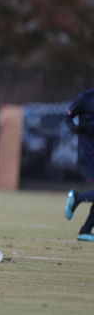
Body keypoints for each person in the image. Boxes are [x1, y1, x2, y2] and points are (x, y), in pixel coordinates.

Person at [64, 88, 94, 241]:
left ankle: (85, 231)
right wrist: (74, 128)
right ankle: (77, 198)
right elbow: (67, 117)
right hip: (89, 154)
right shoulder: (85, 98)